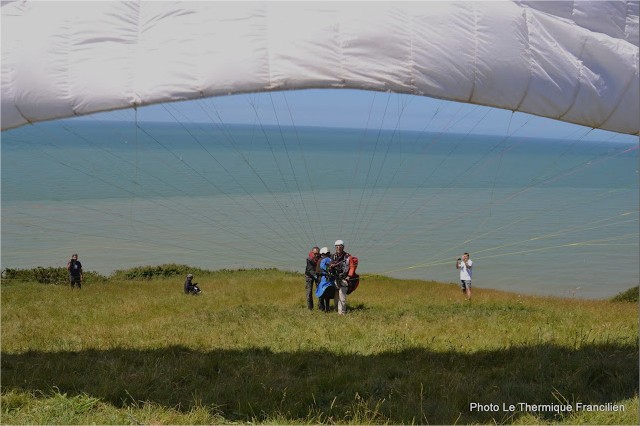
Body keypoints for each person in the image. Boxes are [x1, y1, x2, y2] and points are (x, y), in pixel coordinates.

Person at [330, 239, 352, 314]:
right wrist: (331, 266)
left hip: (344, 279)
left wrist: (349, 276)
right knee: (336, 297)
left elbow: (352, 267)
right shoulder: (333, 256)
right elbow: (329, 266)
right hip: (335, 279)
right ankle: (336, 309)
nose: (338, 248)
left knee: (342, 297)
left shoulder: (348, 257)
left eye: (340, 246)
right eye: (337, 246)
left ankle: (342, 313)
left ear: (343, 247)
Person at [315, 247, 335, 312]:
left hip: (322, 280)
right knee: (327, 296)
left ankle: (322, 309)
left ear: (322, 253)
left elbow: (317, 271)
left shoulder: (320, 260)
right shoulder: (331, 260)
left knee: (321, 295)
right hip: (330, 281)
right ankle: (327, 308)